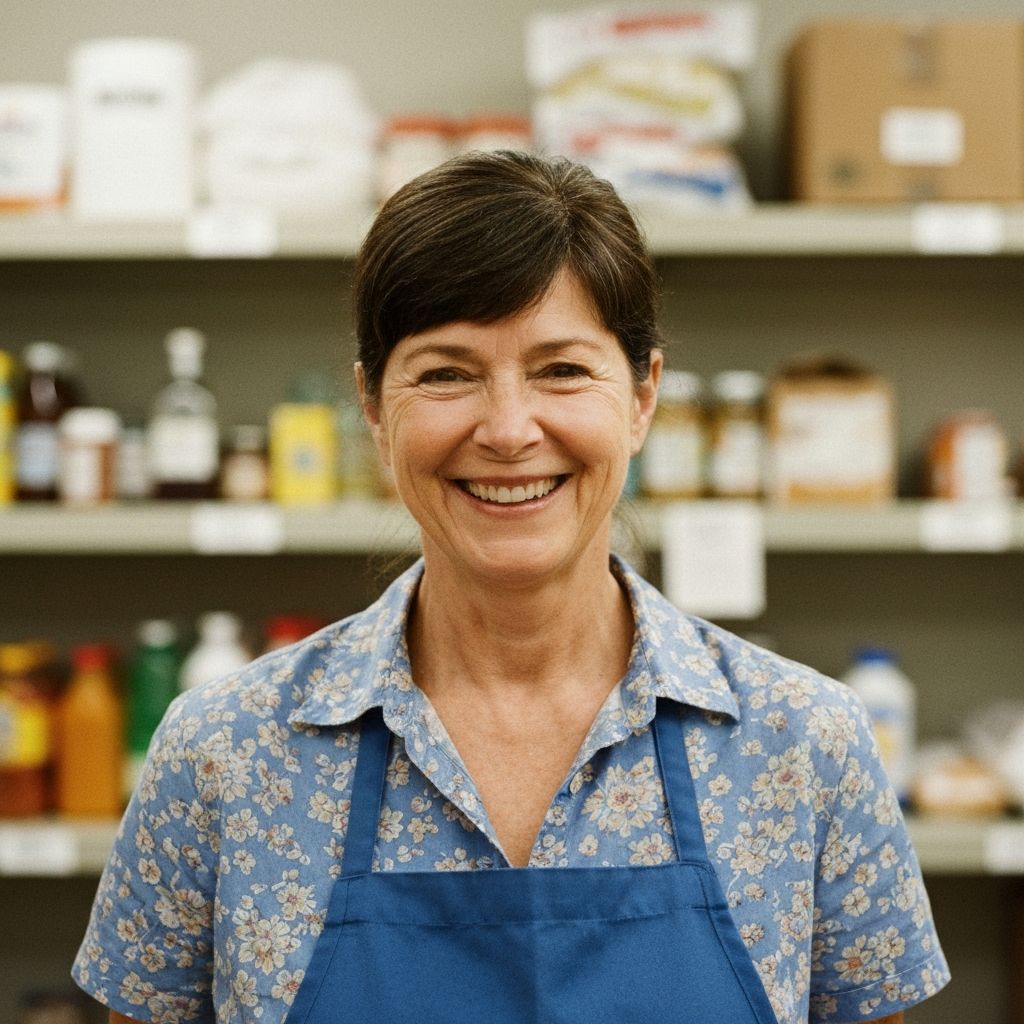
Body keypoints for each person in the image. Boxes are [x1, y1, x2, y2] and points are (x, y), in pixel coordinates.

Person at [73, 151, 949, 1024]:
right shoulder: (223, 754)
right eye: (446, 373)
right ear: (374, 410)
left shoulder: (805, 748)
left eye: (562, 370)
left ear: (644, 396)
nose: (507, 430)